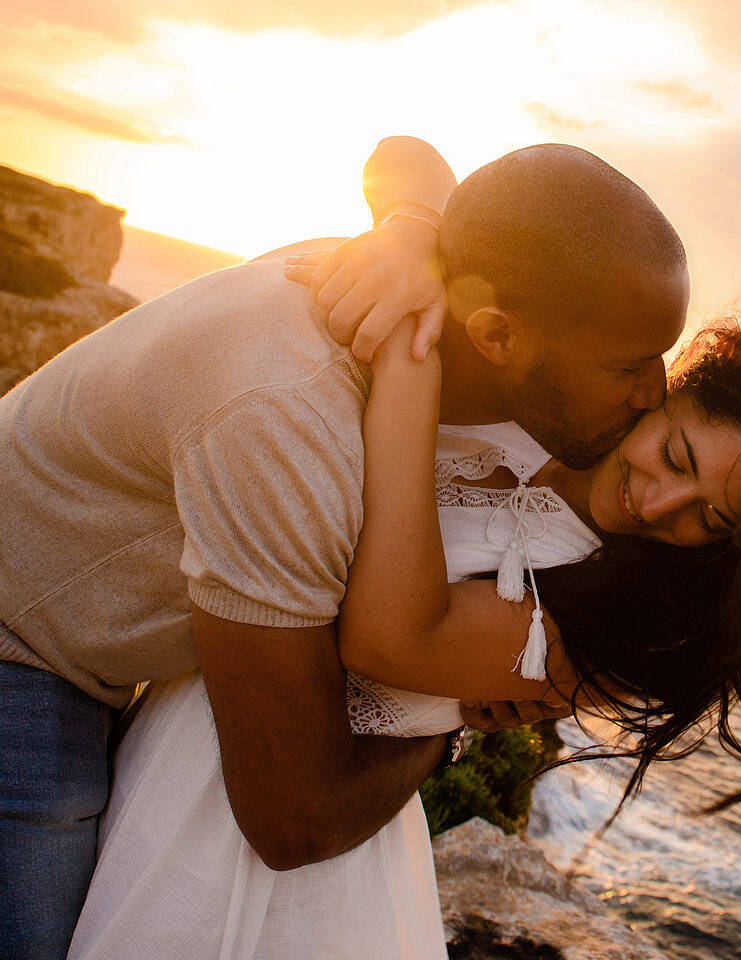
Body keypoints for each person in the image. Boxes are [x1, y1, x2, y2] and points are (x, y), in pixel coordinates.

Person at [0, 138, 688, 959]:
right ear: (498, 337)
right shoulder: (289, 421)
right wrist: (449, 723)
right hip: (24, 661)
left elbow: (412, 156)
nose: (657, 394)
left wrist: (412, 219)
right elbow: (295, 818)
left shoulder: (406, 294)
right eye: (630, 365)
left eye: (665, 356)